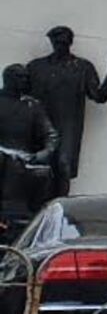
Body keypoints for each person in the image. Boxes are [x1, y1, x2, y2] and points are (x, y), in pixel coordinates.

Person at [24, 26, 107, 192]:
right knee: (36, 170)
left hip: (67, 128)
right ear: (51, 42)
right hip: (39, 128)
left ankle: (58, 211)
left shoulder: (82, 68)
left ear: (70, 43)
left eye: (64, 42)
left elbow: (100, 96)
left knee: (62, 168)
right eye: (57, 42)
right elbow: (18, 93)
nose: (60, 46)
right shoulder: (36, 67)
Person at [0, 64, 60, 238]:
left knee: (43, 174)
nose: (25, 81)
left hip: (25, 159)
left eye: (26, 77)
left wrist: (42, 154)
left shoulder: (33, 106)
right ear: (9, 79)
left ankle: (27, 220)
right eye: (21, 77)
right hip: (3, 156)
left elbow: (51, 135)